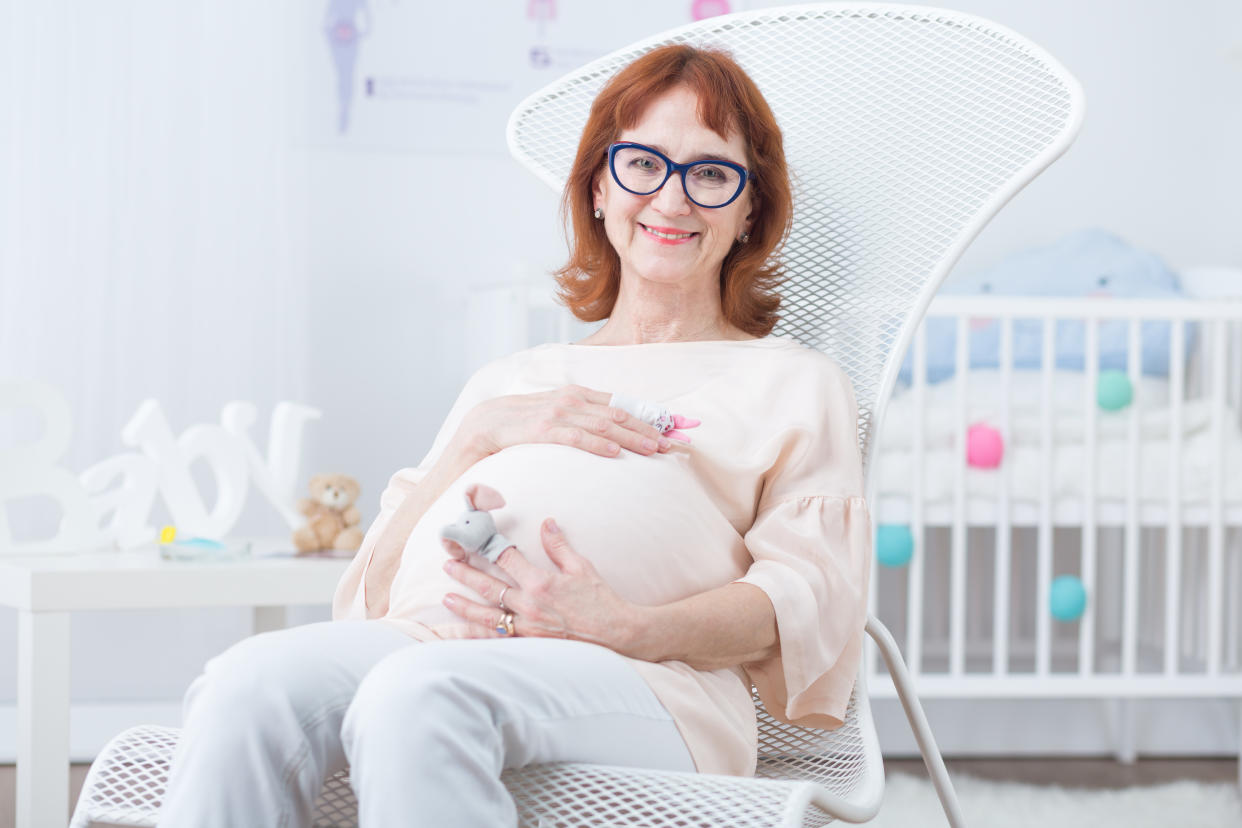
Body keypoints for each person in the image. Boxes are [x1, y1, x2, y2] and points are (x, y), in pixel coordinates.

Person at [158, 43, 870, 827]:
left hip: (648, 678)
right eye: (642, 164)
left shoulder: (795, 382)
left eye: (709, 174)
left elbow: (806, 598)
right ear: (600, 187)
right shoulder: (511, 376)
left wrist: (630, 627)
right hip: (431, 640)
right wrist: (476, 436)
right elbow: (369, 596)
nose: (671, 198)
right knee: (244, 684)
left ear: (748, 212)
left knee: (417, 697)